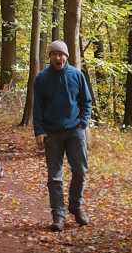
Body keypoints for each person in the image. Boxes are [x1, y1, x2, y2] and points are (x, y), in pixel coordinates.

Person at [32, 39, 92, 232]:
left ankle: (76, 206)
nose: (59, 57)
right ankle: (58, 215)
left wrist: (83, 123)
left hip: (75, 131)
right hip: (52, 134)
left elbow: (86, 101)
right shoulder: (41, 78)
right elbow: (37, 108)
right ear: (49, 57)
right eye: (55, 54)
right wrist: (39, 131)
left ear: (66, 56)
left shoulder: (77, 75)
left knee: (80, 171)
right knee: (55, 177)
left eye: (62, 54)